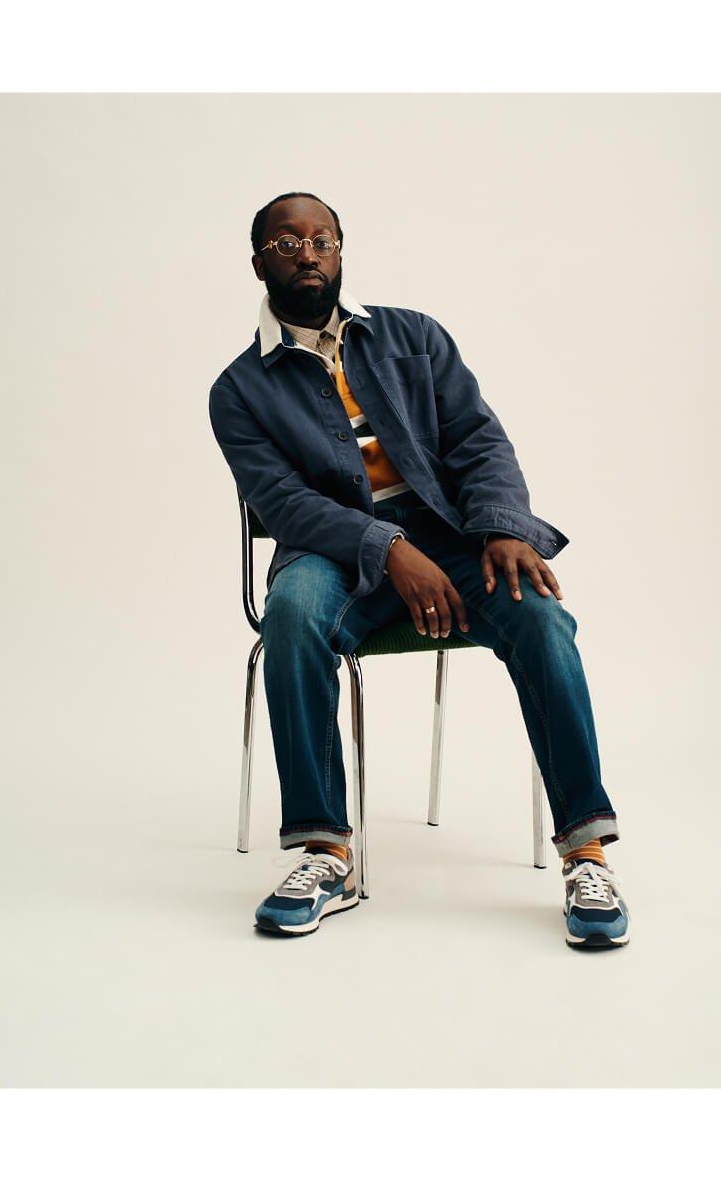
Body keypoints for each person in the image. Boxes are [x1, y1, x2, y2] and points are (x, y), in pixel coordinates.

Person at [207, 192, 628, 950]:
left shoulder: (412, 335)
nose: (309, 253)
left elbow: (476, 439)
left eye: (323, 239)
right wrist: (388, 550)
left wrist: (501, 527)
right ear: (259, 262)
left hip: (452, 537)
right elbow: (286, 503)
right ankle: (324, 851)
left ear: (340, 250)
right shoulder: (239, 390)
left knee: (540, 615)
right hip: (333, 553)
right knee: (293, 616)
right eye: (287, 243)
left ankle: (586, 852)